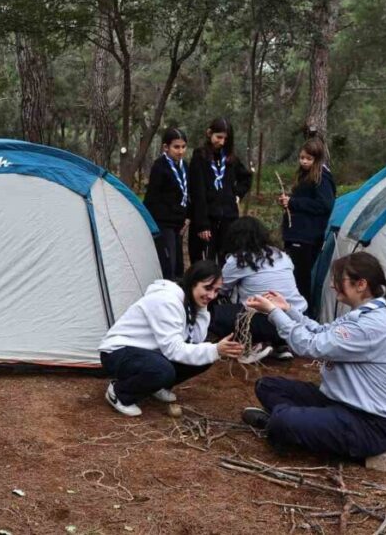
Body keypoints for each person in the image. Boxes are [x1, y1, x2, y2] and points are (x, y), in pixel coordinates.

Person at [241, 252, 386, 460]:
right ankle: (302, 424)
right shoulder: (363, 313)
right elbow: (322, 331)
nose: (332, 285)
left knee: (282, 421)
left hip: (370, 424)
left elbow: (310, 346)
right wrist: (288, 310)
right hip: (339, 401)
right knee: (267, 386)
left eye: (339, 280)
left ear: (361, 284)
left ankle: (284, 424)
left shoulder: (370, 325)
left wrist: (274, 313)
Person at [98, 260, 245, 416]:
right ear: (192, 282)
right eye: (207, 288)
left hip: (149, 352)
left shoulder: (189, 301)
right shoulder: (166, 300)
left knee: (204, 357)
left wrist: (202, 310)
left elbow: (196, 340)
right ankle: (119, 393)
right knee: (163, 370)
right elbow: (174, 350)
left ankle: (156, 386)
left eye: (216, 291)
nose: (212, 295)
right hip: (116, 352)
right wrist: (215, 348)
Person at [211, 217, 307, 362]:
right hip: (298, 317)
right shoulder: (282, 255)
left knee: (216, 315)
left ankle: (255, 343)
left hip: (267, 321)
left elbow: (221, 289)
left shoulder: (238, 259)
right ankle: (281, 345)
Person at [188, 118, 252, 264]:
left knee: (227, 262)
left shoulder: (230, 159)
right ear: (209, 133)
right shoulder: (200, 157)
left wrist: (236, 194)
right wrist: (202, 224)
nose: (222, 142)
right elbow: (197, 193)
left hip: (228, 219)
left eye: (225, 139)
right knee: (206, 264)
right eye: (219, 137)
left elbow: (246, 178)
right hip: (208, 220)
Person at [279, 138, 335, 303]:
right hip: (295, 234)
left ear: (317, 159)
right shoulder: (304, 174)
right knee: (293, 277)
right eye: (302, 157)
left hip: (307, 237)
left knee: (301, 279)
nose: (304, 161)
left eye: (308, 159)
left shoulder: (322, 176)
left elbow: (324, 204)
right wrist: (288, 202)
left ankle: (304, 315)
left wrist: (294, 202)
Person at [144, 127, 190, 280]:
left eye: (183, 147)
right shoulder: (160, 166)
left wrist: (187, 217)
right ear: (166, 147)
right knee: (168, 261)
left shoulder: (184, 166)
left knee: (178, 263)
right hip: (164, 221)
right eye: (176, 147)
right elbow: (152, 196)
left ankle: (178, 288)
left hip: (179, 222)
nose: (180, 151)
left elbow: (187, 193)